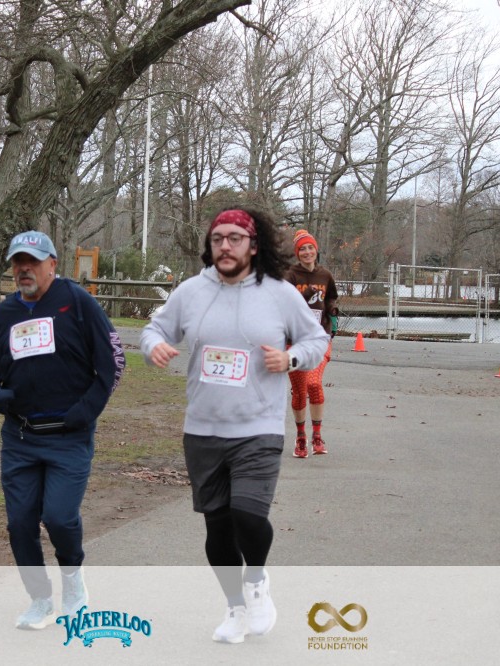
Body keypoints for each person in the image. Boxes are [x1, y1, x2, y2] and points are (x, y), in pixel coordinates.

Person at [140, 208, 328, 644]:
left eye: (235, 238)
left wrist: (291, 358)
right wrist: (153, 347)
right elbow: (154, 329)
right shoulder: (191, 291)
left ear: (253, 245)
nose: (225, 246)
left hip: (258, 426)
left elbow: (316, 339)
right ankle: (235, 608)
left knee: (248, 515)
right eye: (217, 238)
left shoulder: (279, 293)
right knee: (218, 528)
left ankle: (257, 581)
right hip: (203, 428)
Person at [0, 230, 125, 630]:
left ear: (52, 264)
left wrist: (85, 411)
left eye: (33, 262)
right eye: (18, 262)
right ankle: (40, 599)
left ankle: (73, 584)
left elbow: (114, 362)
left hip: (68, 436)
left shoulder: (76, 302)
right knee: (20, 523)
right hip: (21, 437)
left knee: (59, 517)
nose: (24, 269)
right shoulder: (4, 314)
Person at [286, 229, 339, 458]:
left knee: (314, 384)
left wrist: (333, 313)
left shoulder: (325, 275)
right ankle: (301, 437)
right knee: (300, 392)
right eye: (302, 249)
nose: (307, 252)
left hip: (320, 338)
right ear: (297, 253)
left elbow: (331, 297)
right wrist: (305, 295)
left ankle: (317, 436)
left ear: (316, 250)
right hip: (294, 342)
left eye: (310, 248)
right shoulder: (290, 276)